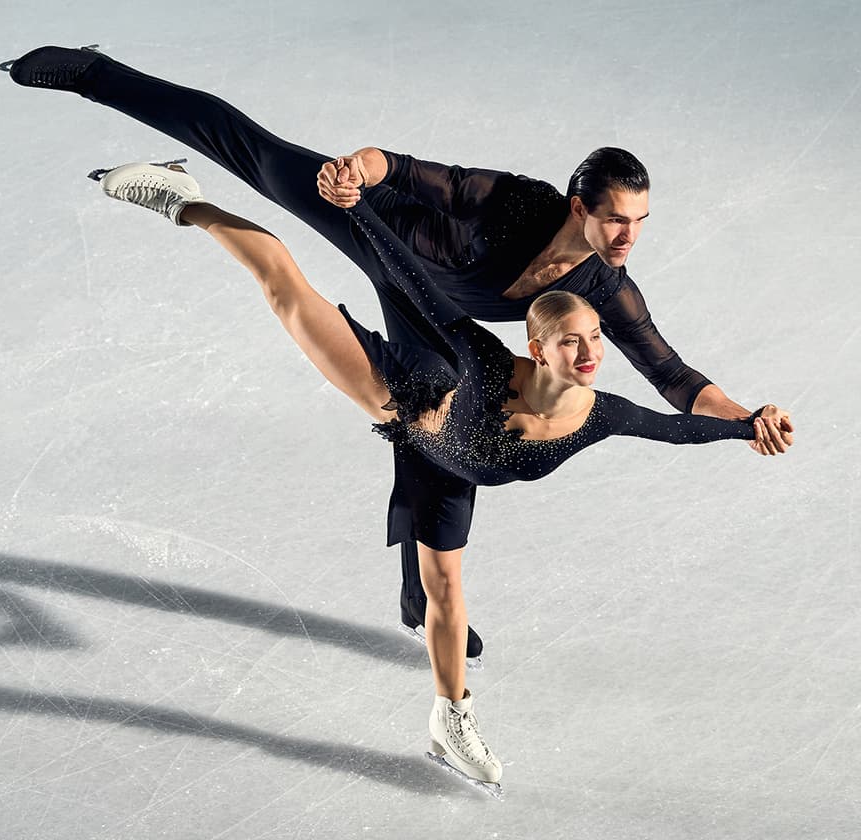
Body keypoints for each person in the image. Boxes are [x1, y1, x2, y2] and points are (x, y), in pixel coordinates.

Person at [0, 45, 795, 655]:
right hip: (373, 226)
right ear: (582, 206)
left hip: (431, 327)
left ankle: (418, 595)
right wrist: (355, 171)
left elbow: (675, 376)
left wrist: (746, 416)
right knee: (244, 144)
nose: (631, 236)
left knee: (430, 422)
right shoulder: (519, 201)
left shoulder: (604, 290)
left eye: (643, 222)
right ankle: (91, 72)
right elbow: (414, 172)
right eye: (619, 218)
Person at [80, 157, 771, 791]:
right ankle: (186, 202)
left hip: (453, 468)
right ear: (537, 347)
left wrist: (749, 423)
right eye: (572, 342)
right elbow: (404, 275)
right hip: (407, 400)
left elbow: (678, 425)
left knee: (443, 588)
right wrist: (359, 211)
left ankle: (446, 721)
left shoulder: (601, 413)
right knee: (284, 288)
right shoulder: (477, 359)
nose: (591, 352)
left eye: (594, 338)